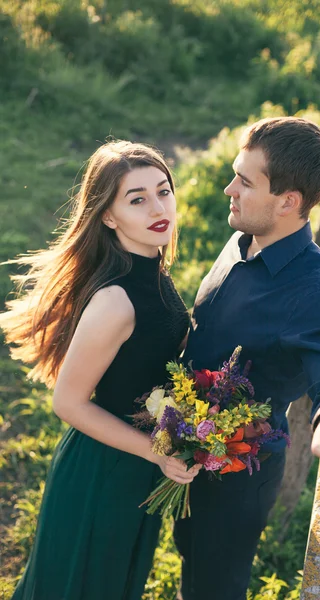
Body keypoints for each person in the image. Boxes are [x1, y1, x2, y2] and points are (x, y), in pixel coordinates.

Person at [173, 117, 320, 600]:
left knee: (215, 586)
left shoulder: (314, 293)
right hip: (187, 448)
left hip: (238, 479)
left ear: (288, 202)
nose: (229, 188)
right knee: (188, 558)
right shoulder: (244, 235)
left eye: (245, 181)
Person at [0, 140, 201, 600]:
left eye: (163, 191)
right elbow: (67, 402)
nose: (158, 207)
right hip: (102, 470)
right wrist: (155, 452)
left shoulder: (152, 265)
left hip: (136, 464)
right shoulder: (115, 300)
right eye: (137, 199)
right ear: (108, 216)